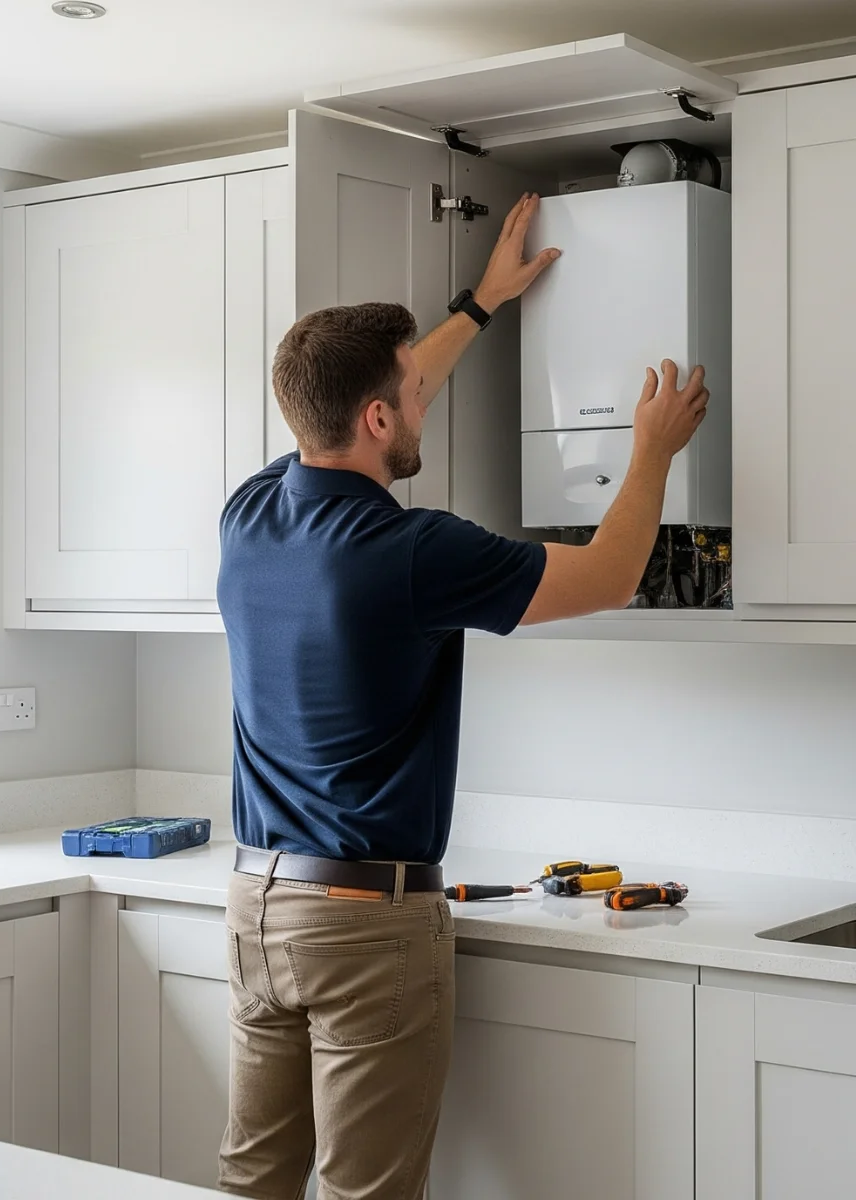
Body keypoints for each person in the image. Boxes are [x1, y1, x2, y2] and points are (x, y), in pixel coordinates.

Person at [214, 192, 709, 1200]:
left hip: (255, 906)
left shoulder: (250, 512)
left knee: (250, 1183)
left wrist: (480, 305)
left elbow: (375, 394)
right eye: (414, 394)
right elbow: (611, 575)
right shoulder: (412, 551)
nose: (426, 401)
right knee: (369, 1194)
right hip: (361, 925)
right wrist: (651, 446)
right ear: (378, 416)